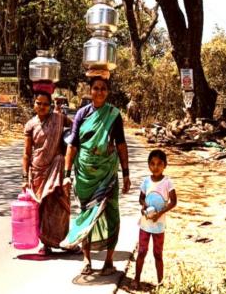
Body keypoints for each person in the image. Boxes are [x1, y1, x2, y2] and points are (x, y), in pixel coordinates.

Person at [60, 75, 131, 276]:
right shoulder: (82, 115)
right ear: (90, 91)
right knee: (86, 216)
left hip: (108, 173)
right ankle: (86, 260)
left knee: (112, 216)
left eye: (103, 89)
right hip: (84, 175)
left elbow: (121, 145)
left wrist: (126, 173)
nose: (99, 92)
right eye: (96, 88)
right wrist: (67, 174)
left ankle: (109, 261)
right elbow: (72, 146)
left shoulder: (114, 115)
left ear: (107, 92)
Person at [22, 90, 73, 255]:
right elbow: (26, 153)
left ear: (50, 106)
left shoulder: (58, 119)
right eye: (39, 103)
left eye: (45, 104)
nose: (42, 107)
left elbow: (75, 125)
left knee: (59, 208)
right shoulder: (30, 125)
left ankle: (65, 241)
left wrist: (67, 147)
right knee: (42, 208)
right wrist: (24, 176)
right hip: (37, 170)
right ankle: (46, 244)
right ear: (34, 104)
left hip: (56, 168)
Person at [133, 149, 177, 289]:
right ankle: (136, 279)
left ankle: (160, 282)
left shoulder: (167, 182)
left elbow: (173, 202)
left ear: (165, 165)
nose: (155, 167)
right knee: (141, 252)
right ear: (148, 165)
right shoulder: (146, 181)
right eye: (152, 164)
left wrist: (160, 213)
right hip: (145, 224)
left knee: (158, 254)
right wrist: (144, 207)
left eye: (159, 164)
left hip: (159, 225)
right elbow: (141, 198)